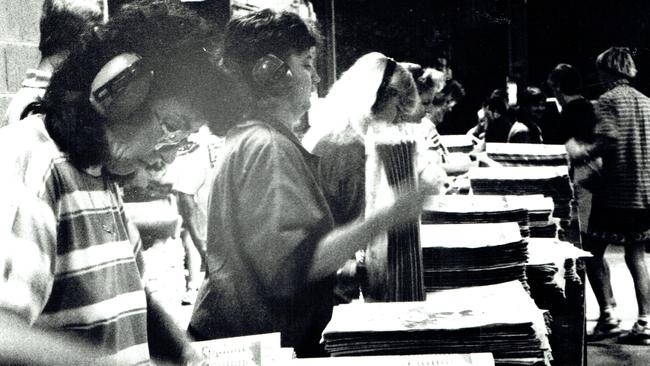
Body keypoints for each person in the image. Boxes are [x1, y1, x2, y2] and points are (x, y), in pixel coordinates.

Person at [189, 10, 424, 357]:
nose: (315, 78)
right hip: (261, 347)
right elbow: (293, 269)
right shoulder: (268, 147)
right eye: (306, 63)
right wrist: (392, 213)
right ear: (270, 72)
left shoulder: (258, 137)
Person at [0, 1, 221, 364]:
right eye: (171, 126)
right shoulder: (34, 163)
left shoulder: (98, 172)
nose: (168, 156)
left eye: (185, 140)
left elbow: (131, 292)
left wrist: (184, 352)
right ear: (119, 94)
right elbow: (5, 337)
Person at [572, 47, 650, 345]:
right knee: (637, 255)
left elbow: (608, 140)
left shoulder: (607, 100)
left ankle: (608, 316)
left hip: (616, 192)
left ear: (608, 71)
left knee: (591, 251)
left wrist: (581, 152)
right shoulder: (646, 102)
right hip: (644, 193)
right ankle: (644, 323)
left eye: (599, 71)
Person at [1, 0, 103, 127]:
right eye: (94, 32)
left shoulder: (48, 97)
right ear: (80, 41)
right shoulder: (32, 108)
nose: (98, 44)